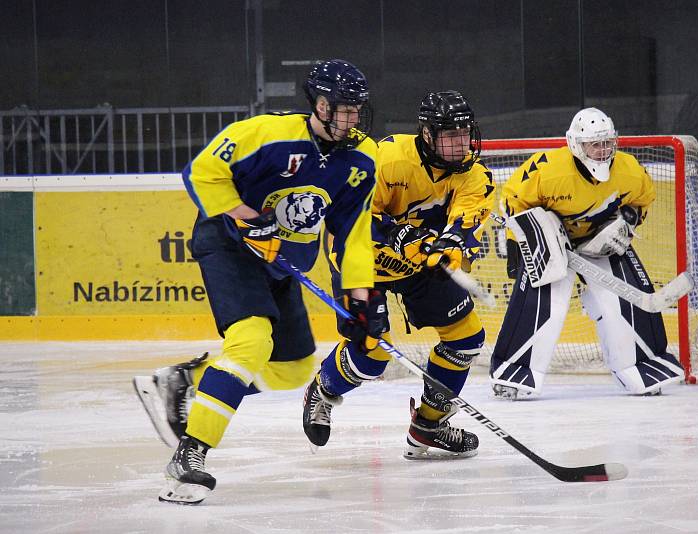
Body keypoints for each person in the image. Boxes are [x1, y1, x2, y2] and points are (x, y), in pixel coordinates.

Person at [132, 59, 387, 504]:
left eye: (357, 110)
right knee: (250, 343)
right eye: (344, 109)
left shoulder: (362, 160)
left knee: (293, 369)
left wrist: (360, 298)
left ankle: (187, 380)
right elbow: (203, 171)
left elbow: (354, 233)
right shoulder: (268, 134)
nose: (352, 119)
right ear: (321, 105)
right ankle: (189, 457)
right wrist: (248, 219)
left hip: (281, 262)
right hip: (229, 245)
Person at [302, 90, 495, 459]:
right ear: (427, 134)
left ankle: (429, 426)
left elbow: (464, 226)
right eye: (450, 136)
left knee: (466, 338)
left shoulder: (474, 175)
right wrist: (394, 231)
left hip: (417, 264)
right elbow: (349, 216)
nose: (461, 144)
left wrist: (448, 248)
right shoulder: (388, 158)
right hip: (363, 259)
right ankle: (323, 390)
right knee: (372, 353)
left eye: (464, 133)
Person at [490, 107, 684, 400]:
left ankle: (639, 365)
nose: (602, 150)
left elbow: (642, 199)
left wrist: (627, 219)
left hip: (598, 240)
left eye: (607, 142)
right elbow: (514, 201)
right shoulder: (548, 169)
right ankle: (514, 371)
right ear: (576, 144)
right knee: (544, 303)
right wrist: (519, 243)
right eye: (595, 144)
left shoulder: (629, 170)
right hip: (552, 242)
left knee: (625, 297)